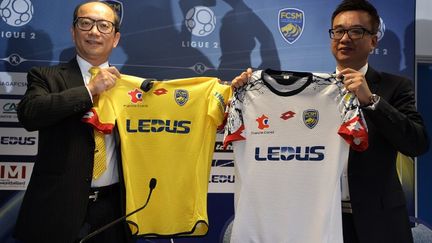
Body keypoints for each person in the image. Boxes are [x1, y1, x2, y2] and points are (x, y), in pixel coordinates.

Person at [231, 0, 429, 242]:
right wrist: (244, 91)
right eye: (338, 31)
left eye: (356, 31)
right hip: (317, 219)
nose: (345, 38)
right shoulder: (311, 92)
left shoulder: (395, 86)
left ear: (374, 40)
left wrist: (371, 101)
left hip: (379, 222)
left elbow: (416, 143)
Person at [14, 1, 132, 243]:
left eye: (104, 25)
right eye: (85, 23)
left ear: (116, 38)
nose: (94, 31)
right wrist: (90, 90)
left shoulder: (131, 88)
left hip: (114, 212)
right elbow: (30, 114)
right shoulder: (45, 77)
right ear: (73, 31)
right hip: (55, 210)